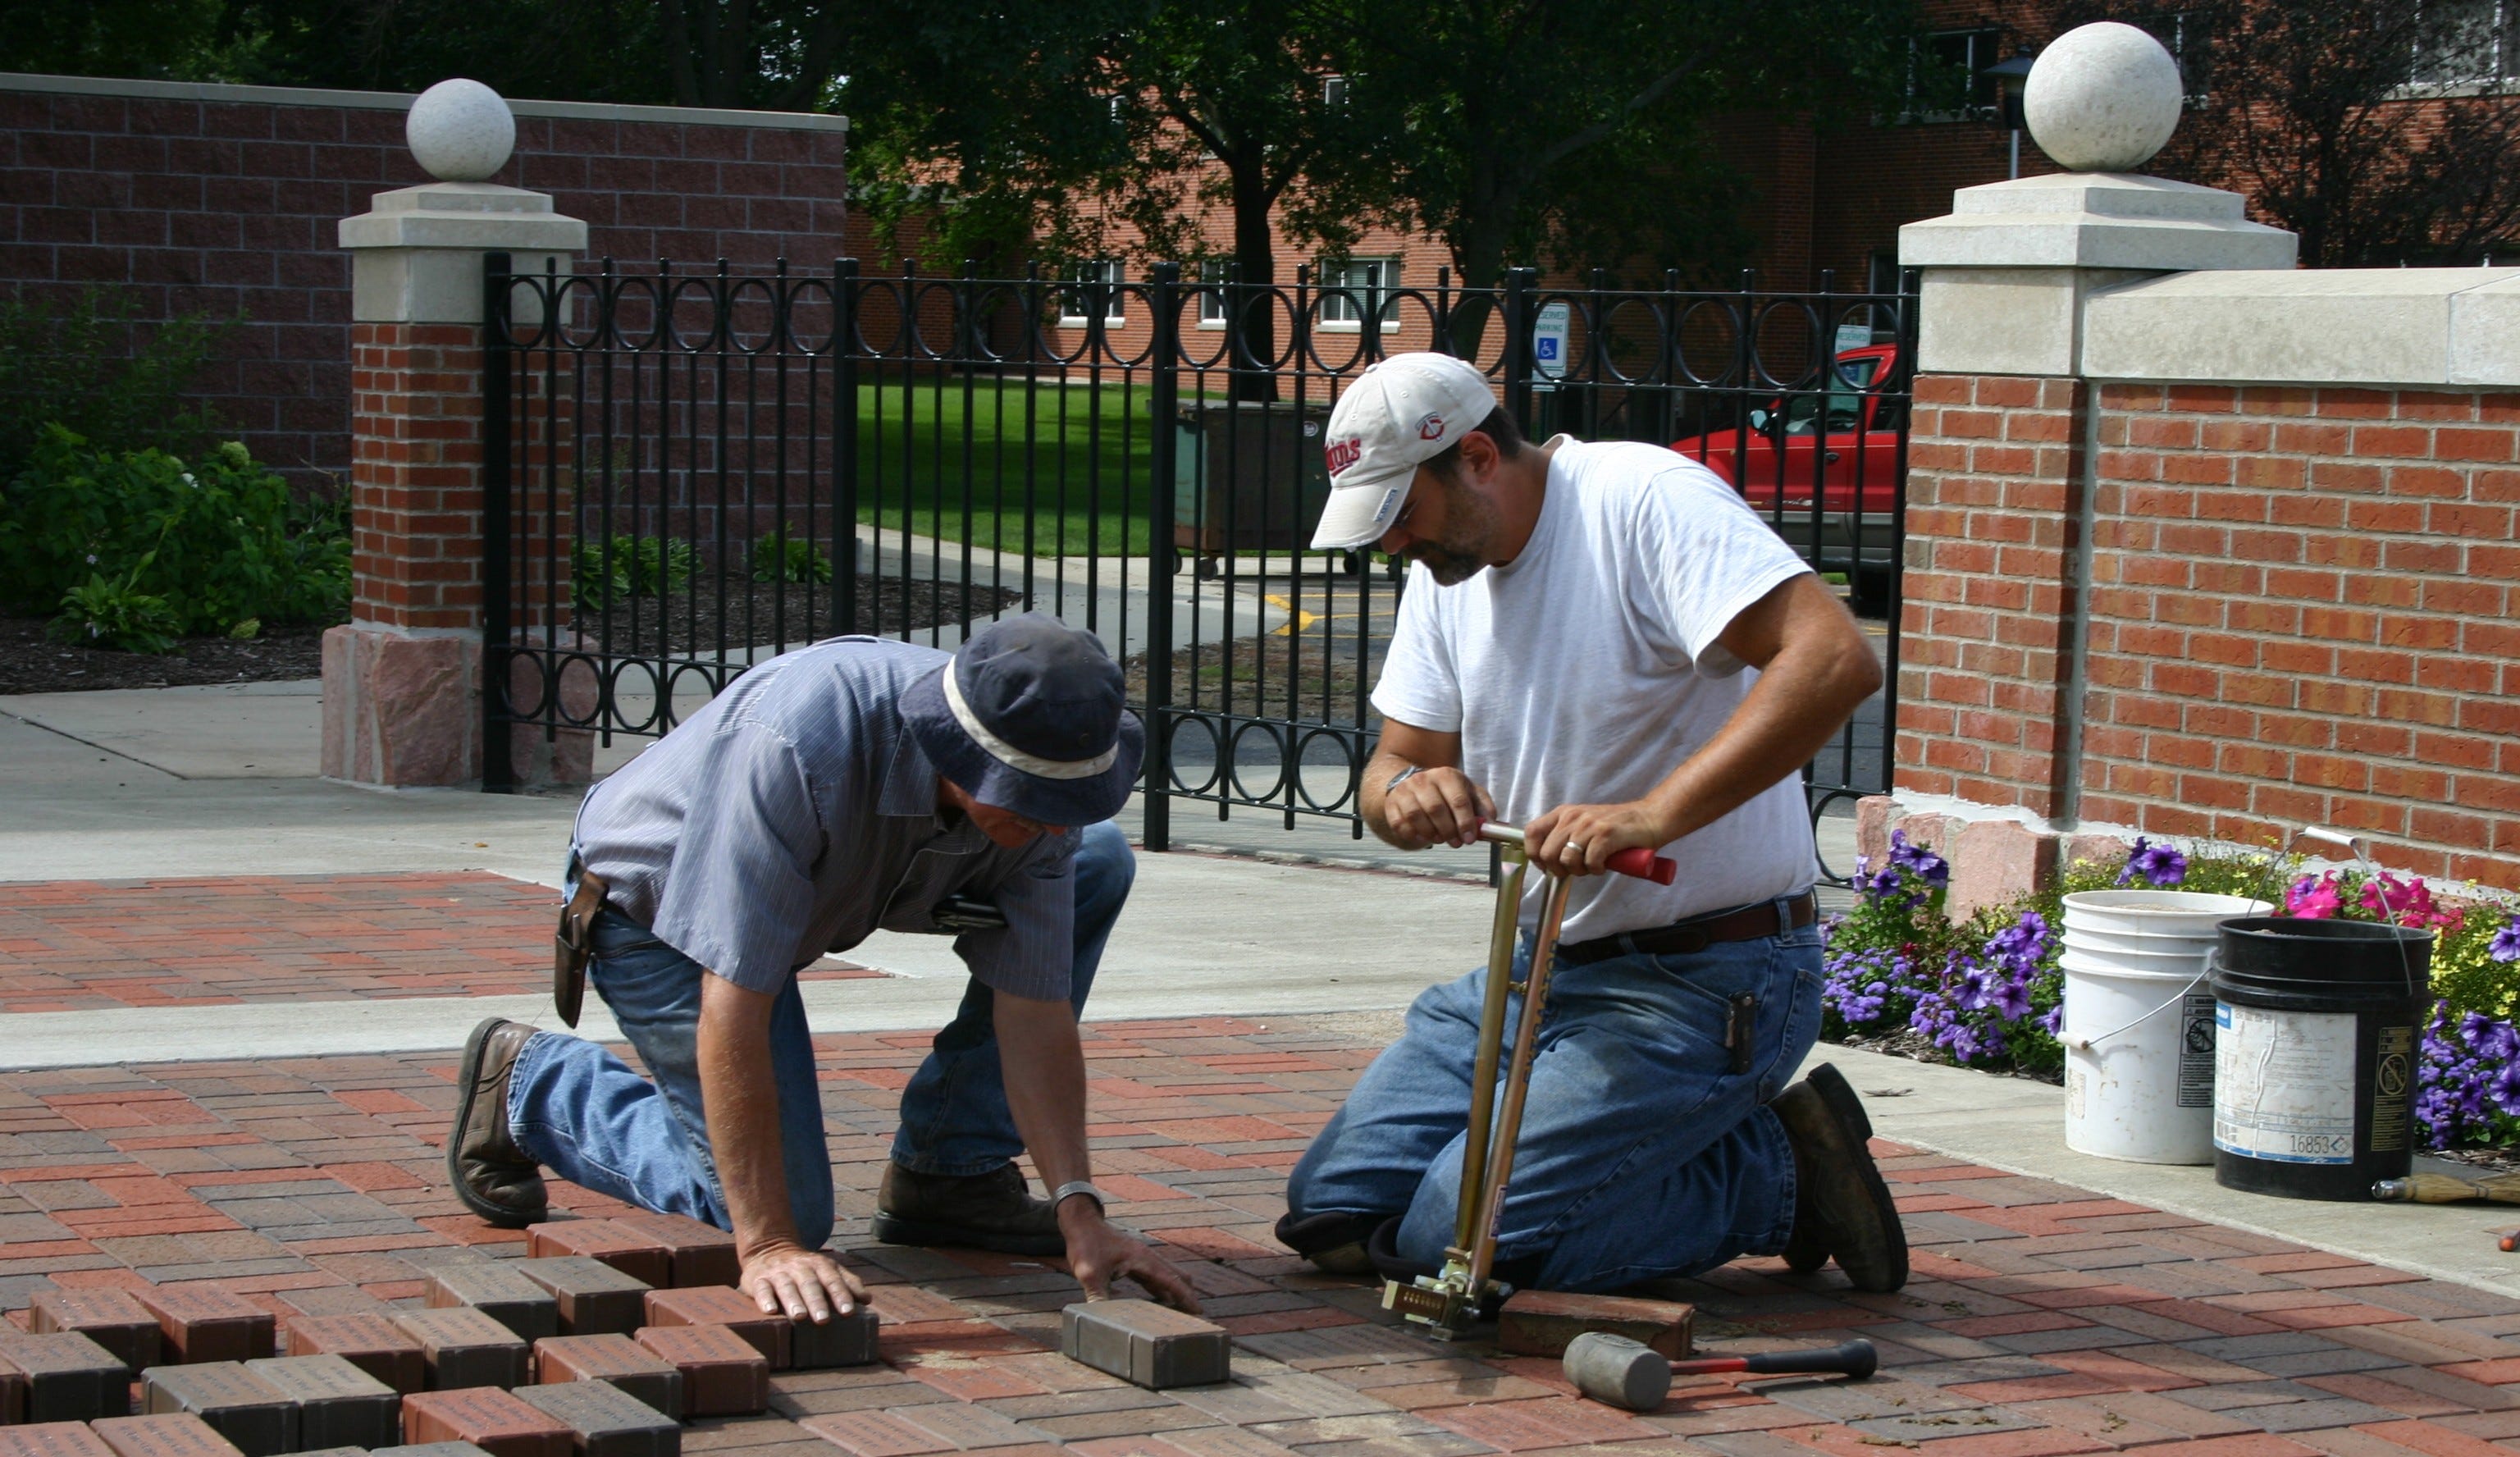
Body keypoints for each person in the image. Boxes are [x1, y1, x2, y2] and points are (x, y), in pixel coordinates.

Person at [1276, 353, 1909, 1296]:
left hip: (1708, 978)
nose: (1391, 544)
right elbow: (1394, 764)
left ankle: (1778, 1173)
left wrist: (1653, 815)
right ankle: (1570, 1161)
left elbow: (1833, 659)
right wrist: (1401, 795)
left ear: (1478, 456)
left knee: (1460, 1246)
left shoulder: (1642, 500)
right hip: (1543, 967)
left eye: (1401, 514)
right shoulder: (1445, 574)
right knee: (1331, 1215)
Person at [445, 614, 1198, 1324]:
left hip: (840, 880)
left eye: (1070, 799)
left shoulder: (1041, 770)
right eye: (1033, 804)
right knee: (785, 1211)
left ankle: (952, 1175)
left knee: (1096, 859)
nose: (1053, 824)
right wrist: (767, 1244)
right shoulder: (796, 743)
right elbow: (734, 1001)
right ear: (958, 750)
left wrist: (1080, 1212)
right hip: (655, 910)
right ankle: (531, 1083)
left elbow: (1034, 1010)